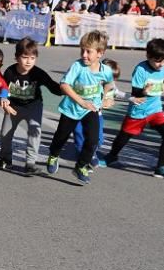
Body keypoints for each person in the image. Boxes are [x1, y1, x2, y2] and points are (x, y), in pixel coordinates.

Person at [44, 31, 115, 184]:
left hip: (91, 109)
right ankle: (53, 155)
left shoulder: (106, 71)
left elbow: (109, 84)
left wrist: (108, 97)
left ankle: (80, 166)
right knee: (61, 137)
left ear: (100, 53)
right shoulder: (78, 66)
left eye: (88, 51)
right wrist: (81, 101)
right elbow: (64, 85)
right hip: (72, 109)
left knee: (93, 139)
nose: (84, 54)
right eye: (82, 50)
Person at [103, 39, 164, 179]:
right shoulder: (140, 70)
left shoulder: (162, 68)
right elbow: (136, 93)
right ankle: (112, 156)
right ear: (148, 56)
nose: (161, 64)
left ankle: (161, 167)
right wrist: (144, 91)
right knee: (123, 137)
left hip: (155, 109)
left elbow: (160, 83)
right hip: (138, 111)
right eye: (158, 61)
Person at [0, 37, 62, 174]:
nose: (28, 61)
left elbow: (53, 86)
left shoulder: (38, 73)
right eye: (25, 57)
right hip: (13, 107)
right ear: (16, 57)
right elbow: (3, 87)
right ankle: (5, 159)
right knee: (5, 134)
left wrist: (66, 89)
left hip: (33, 106)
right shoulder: (10, 72)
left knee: (34, 132)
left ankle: (30, 163)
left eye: (32, 58)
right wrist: (3, 98)